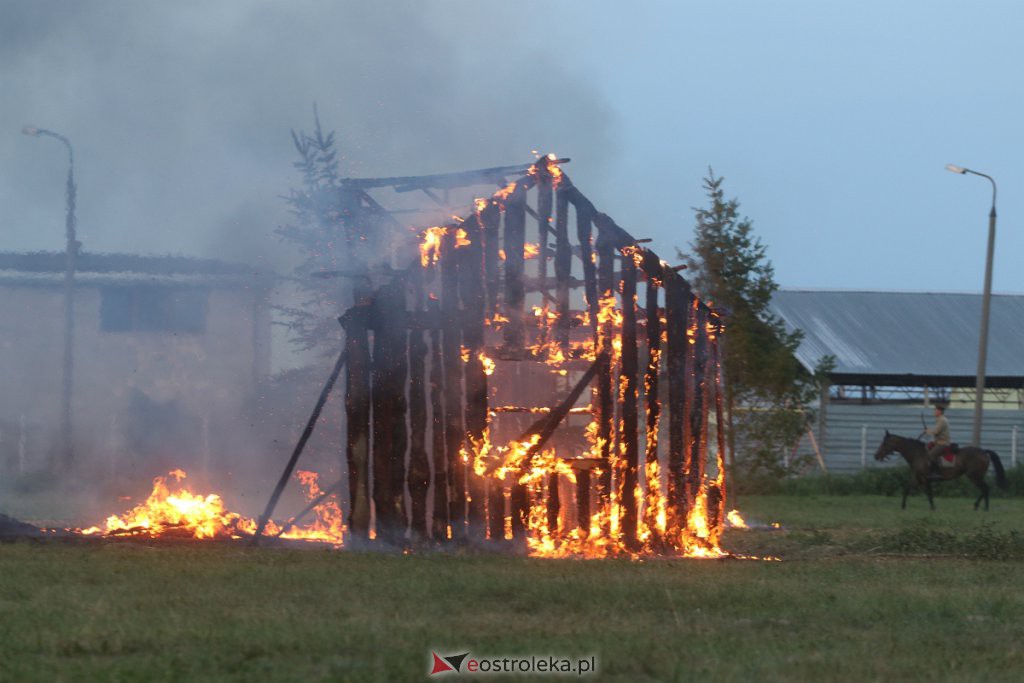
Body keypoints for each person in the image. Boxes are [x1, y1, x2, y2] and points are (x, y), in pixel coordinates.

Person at [925, 404, 953, 472]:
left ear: (939, 411)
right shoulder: (940, 419)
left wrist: (928, 431)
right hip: (939, 442)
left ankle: (936, 472)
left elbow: (936, 432)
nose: (934, 412)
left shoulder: (942, 420)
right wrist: (929, 430)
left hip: (942, 443)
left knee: (930, 455)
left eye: (935, 410)